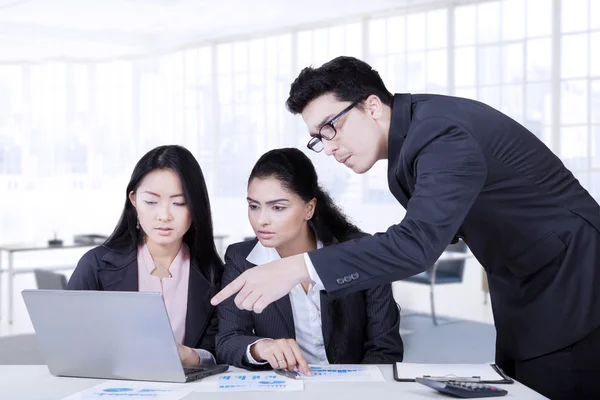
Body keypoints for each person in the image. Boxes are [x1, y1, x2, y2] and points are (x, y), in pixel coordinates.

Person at [211, 56, 600, 398]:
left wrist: (300, 266)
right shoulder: (413, 145)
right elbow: (427, 233)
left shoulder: (439, 135)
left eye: (332, 127)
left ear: (373, 106)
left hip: (571, 282)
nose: (329, 147)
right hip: (523, 286)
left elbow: (417, 244)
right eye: (318, 138)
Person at [215, 148, 403, 374]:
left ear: (309, 209)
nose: (261, 220)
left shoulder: (357, 253)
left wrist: (355, 390)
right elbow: (227, 340)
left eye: (277, 207)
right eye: (254, 206)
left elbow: (384, 347)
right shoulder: (241, 259)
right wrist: (260, 348)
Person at [68, 145, 223, 367]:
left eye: (179, 203)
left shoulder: (213, 273)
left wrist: (189, 356)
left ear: (195, 206)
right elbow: (70, 344)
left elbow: (221, 350)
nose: (164, 216)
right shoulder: (96, 266)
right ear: (134, 200)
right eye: (151, 202)